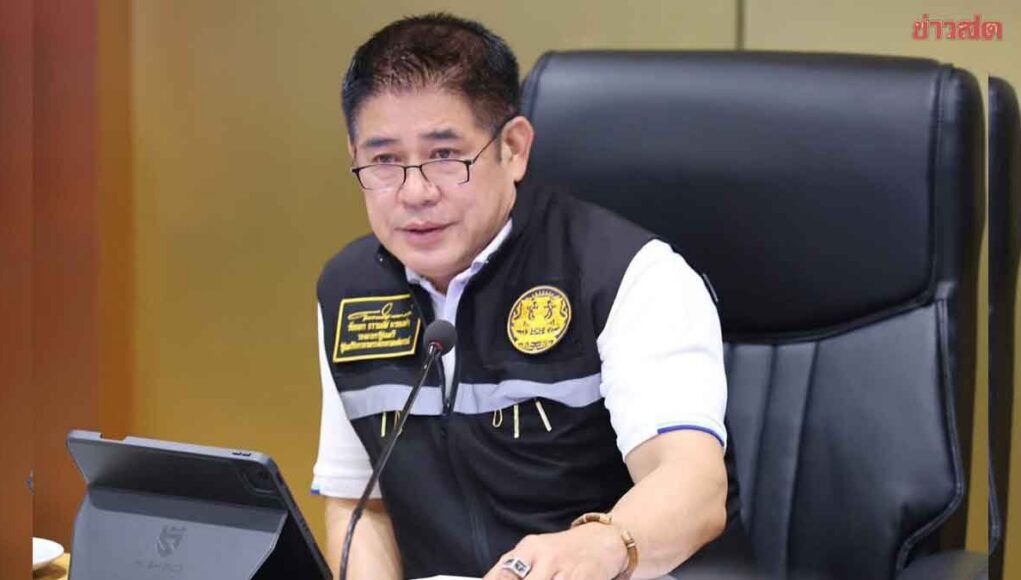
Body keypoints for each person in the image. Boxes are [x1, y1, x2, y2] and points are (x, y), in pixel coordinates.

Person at [312, 13, 741, 580]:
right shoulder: (349, 291)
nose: (414, 192)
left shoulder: (624, 274)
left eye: (445, 155)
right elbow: (359, 504)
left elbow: (692, 483)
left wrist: (602, 545)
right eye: (385, 161)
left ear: (512, 148)